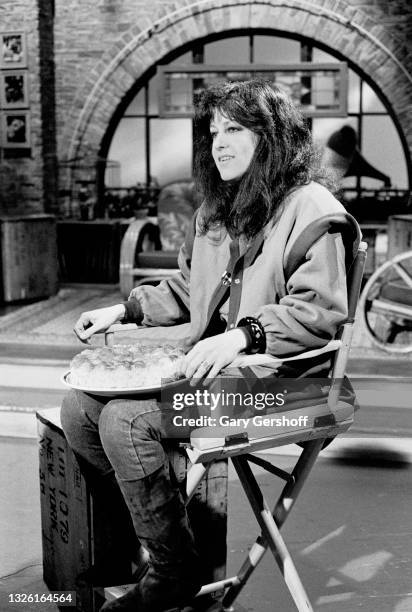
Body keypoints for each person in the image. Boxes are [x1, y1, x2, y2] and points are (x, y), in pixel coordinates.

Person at [61, 79, 356, 612]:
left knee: (127, 422)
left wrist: (246, 335)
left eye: (235, 129)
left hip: (291, 387)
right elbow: (189, 288)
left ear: (273, 137)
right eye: (214, 130)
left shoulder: (314, 209)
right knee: (78, 409)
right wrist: (125, 309)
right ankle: (160, 539)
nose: (218, 142)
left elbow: (319, 312)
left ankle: (174, 570)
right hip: (220, 383)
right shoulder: (220, 210)